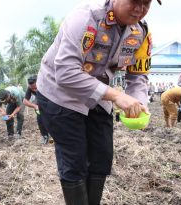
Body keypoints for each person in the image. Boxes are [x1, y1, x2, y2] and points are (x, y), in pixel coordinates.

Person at [35, 0, 160, 204]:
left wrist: (138, 101)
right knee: (74, 161)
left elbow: (138, 76)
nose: (140, 8)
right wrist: (118, 96)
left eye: (146, 2)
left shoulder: (141, 34)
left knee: (101, 157)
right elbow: (66, 73)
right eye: (134, 1)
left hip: (99, 96)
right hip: (59, 94)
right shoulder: (85, 19)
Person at [22, 75, 51, 144]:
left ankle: (55, 134)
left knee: (52, 118)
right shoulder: (30, 87)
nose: (34, 90)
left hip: (50, 100)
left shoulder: (47, 84)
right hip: (39, 103)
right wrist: (35, 106)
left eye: (35, 87)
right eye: (32, 89)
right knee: (40, 119)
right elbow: (25, 101)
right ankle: (45, 136)